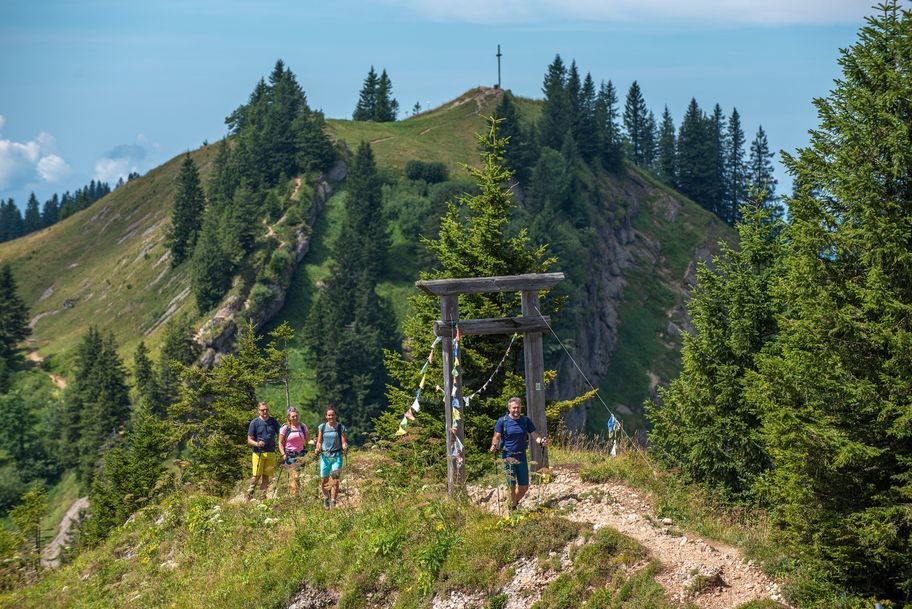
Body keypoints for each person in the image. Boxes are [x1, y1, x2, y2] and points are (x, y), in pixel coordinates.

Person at [489, 396, 548, 510]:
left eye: (518, 407)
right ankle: (512, 509)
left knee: (524, 487)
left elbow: (534, 434)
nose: (516, 410)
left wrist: (541, 441)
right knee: (511, 485)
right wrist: (494, 445)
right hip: (507, 456)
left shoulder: (525, 421)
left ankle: (513, 503)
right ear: (509, 408)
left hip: (521, 456)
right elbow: (497, 436)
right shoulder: (503, 421)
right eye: (514, 408)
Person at [246, 401, 280, 501]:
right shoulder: (254, 422)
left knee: (266, 476)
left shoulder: (273, 421)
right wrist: (257, 443)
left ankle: (262, 498)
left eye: (266, 409)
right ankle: (249, 494)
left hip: (271, 453)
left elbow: (280, 434)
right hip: (258, 453)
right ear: (258, 411)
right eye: (262, 410)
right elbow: (249, 439)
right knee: (256, 475)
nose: (265, 411)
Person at [314, 407, 348, 509]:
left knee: (335, 479)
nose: (331, 417)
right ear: (326, 416)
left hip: (337, 456)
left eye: (332, 415)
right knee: (324, 480)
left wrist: (345, 446)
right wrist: (317, 448)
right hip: (325, 456)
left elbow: (344, 441)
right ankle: (326, 498)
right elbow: (319, 441)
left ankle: (333, 501)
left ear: (335, 415)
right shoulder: (322, 427)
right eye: (329, 415)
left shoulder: (340, 427)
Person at [278, 406, 310, 497]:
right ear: (289, 417)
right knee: (294, 476)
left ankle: (296, 496)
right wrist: (283, 454)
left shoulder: (303, 427)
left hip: (301, 455)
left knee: (297, 477)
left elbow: (308, 441)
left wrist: (317, 442)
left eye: (296, 416)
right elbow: (280, 443)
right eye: (293, 416)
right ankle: (294, 497)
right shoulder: (285, 428)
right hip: (289, 456)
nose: (295, 418)